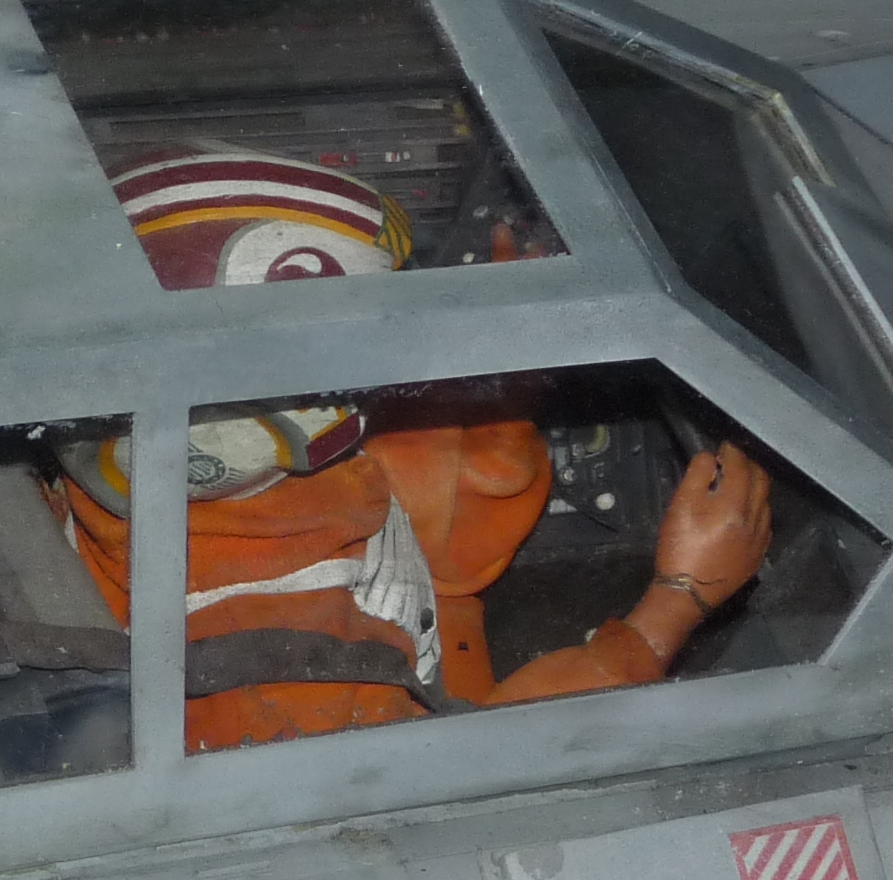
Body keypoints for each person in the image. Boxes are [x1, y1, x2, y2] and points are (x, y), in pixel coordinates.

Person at [56, 148, 772, 749]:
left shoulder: (202, 498)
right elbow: (480, 773)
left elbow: (408, 530)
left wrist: (502, 387)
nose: (369, 384)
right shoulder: (273, 664)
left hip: (412, 631)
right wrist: (678, 600)